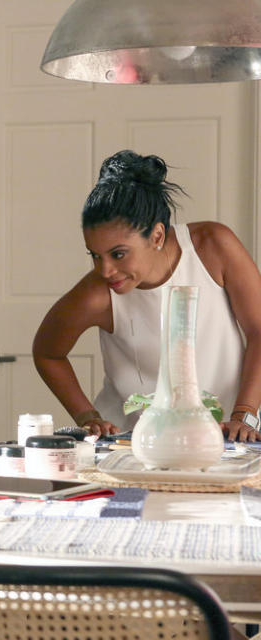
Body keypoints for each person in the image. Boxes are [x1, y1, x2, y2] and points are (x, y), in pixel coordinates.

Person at [33, 150, 261, 442]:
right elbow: (48, 353)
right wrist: (87, 417)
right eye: (95, 255)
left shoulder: (213, 247)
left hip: (229, 437)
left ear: (156, 236)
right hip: (134, 445)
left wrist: (244, 414)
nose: (105, 270)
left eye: (118, 254)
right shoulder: (96, 294)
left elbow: (258, 330)